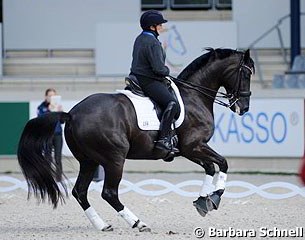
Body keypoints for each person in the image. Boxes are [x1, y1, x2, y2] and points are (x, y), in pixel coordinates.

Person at [130, 10, 179, 157]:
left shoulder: (140, 38)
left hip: (137, 76)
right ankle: (164, 139)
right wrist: (167, 70)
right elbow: (158, 69)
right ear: (152, 27)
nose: (162, 27)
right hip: (148, 80)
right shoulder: (152, 42)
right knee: (172, 103)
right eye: (160, 24)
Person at [37, 88, 63, 181]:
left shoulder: (57, 107)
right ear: (46, 97)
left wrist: (60, 113)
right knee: (47, 157)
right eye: (50, 96)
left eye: (54, 96)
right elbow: (41, 121)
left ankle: (59, 179)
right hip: (47, 135)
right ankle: (48, 178)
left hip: (57, 134)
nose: (52, 98)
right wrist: (49, 110)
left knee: (58, 158)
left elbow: (62, 122)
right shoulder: (41, 107)